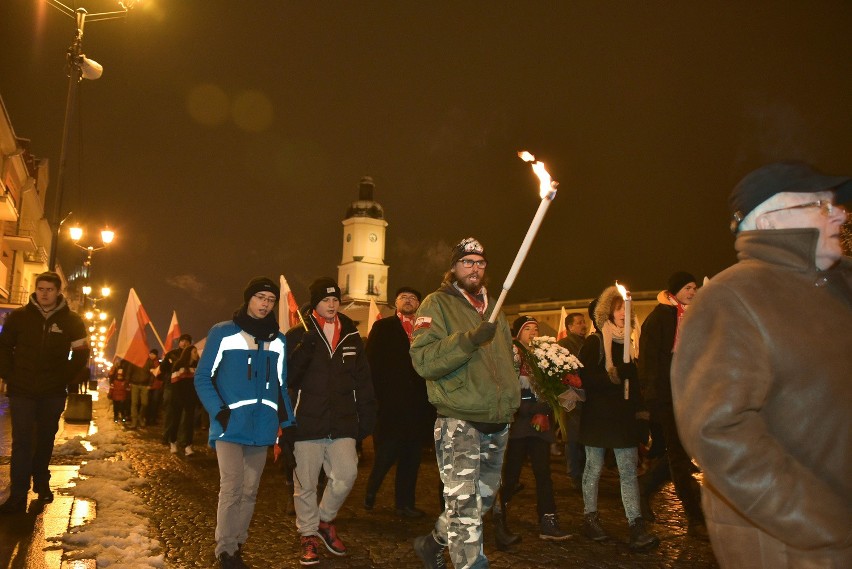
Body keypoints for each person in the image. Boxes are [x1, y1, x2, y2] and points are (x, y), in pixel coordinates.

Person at [671, 161, 852, 568]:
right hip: (797, 548)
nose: (840, 212)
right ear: (770, 222)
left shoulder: (840, 286)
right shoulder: (731, 298)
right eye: (820, 206)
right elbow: (719, 431)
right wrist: (826, 525)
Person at [409, 237, 520, 569]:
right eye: (467, 262)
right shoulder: (436, 304)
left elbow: (501, 361)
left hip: (496, 417)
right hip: (459, 420)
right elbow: (424, 359)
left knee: (482, 498)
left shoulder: (494, 306)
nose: (475, 268)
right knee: (465, 507)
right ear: (454, 267)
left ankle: (432, 543)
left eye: (480, 263)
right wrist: (468, 340)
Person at [195, 277, 295, 569]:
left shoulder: (279, 339)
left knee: (251, 490)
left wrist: (288, 423)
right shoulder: (223, 332)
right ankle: (225, 549)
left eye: (270, 300)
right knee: (232, 487)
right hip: (229, 425)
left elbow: (281, 384)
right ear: (248, 298)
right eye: (260, 297)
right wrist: (219, 411)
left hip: (262, 427)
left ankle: (238, 543)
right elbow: (202, 377)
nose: (265, 304)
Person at [284, 277, 376, 566]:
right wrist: (306, 346)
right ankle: (308, 534)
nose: (332, 304)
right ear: (315, 304)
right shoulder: (297, 335)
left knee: (346, 475)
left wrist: (368, 414)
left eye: (335, 299)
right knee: (306, 485)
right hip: (306, 424)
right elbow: (288, 377)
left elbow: (363, 381)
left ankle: (324, 520)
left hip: (342, 422)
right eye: (326, 300)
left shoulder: (351, 336)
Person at [578, 287, 659, 552]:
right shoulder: (594, 342)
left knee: (628, 473)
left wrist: (640, 414)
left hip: (622, 420)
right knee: (594, 469)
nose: (624, 313)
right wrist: (613, 376)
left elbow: (634, 386)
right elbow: (584, 378)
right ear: (608, 313)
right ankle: (590, 518)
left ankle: (636, 526)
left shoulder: (629, 343)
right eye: (618, 308)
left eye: (626, 308)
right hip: (598, 419)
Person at [0, 271, 88, 513]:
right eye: (41, 289)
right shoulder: (19, 317)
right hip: (22, 390)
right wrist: (9, 375)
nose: (44, 293)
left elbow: (82, 353)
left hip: (52, 392)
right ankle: (18, 494)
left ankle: (41, 482)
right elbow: (4, 347)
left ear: (58, 292)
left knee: (45, 439)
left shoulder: (72, 320)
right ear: (36, 290)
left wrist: (64, 377)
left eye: (49, 289)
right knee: (22, 441)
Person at [637, 271, 706, 536]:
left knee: (683, 450)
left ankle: (646, 487)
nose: (692, 291)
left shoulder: (694, 315)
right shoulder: (659, 318)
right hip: (668, 396)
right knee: (678, 454)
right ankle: (695, 517)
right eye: (688, 287)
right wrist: (652, 396)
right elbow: (649, 361)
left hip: (692, 394)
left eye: (695, 287)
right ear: (675, 290)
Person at [496, 316, 570, 547]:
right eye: (528, 328)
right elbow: (509, 388)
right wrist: (531, 409)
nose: (533, 332)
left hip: (541, 426)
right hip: (519, 425)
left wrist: (545, 409)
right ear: (518, 333)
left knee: (543, 473)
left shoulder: (545, 354)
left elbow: (553, 387)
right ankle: (499, 518)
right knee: (511, 474)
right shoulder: (512, 354)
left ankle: (548, 520)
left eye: (535, 328)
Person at [364, 286, 435, 518]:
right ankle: (371, 490)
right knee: (386, 455)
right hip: (390, 406)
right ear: (395, 303)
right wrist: (375, 398)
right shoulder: (383, 327)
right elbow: (371, 362)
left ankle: (405, 504)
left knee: (411, 459)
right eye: (403, 297)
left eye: (413, 298)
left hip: (417, 407)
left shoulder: (427, 330)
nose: (408, 301)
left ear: (419, 304)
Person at [557, 312, 588, 490]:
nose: (583, 325)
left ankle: (583, 469)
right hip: (571, 395)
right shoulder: (564, 345)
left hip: (586, 394)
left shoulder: (587, 343)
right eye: (579, 322)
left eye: (584, 322)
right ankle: (574, 472)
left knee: (584, 435)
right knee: (573, 436)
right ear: (570, 327)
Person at [165, 334, 198, 455]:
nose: (196, 354)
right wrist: (179, 398)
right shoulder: (178, 365)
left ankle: (188, 445)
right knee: (176, 420)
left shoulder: (196, 366)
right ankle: (173, 442)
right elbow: (175, 384)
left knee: (189, 423)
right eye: (194, 352)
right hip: (178, 398)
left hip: (191, 399)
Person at [159, 338, 185, 445]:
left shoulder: (191, 355)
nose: (185, 343)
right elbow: (163, 369)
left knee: (183, 415)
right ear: (179, 342)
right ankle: (166, 436)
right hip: (171, 386)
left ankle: (181, 439)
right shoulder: (171, 354)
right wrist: (166, 361)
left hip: (184, 387)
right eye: (183, 340)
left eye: (187, 341)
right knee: (169, 412)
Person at [126, 358, 152, 429]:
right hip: (135, 384)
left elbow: (152, 373)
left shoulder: (149, 361)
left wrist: (150, 384)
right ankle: (134, 422)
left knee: (145, 403)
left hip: (145, 385)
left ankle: (140, 417)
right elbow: (129, 372)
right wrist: (127, 383)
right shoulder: (134, 359)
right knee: (134, 403)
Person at [146, 349, 164, 425]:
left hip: (156, 385)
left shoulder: (158, 363)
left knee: (154, 403)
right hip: (149, 385)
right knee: (148, 403)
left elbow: (157, 374)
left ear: (156, 355)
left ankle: (152, 419)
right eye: (150, 354)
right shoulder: (147, 362)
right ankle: (148, 419)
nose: (151, 355)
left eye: (153, 354)